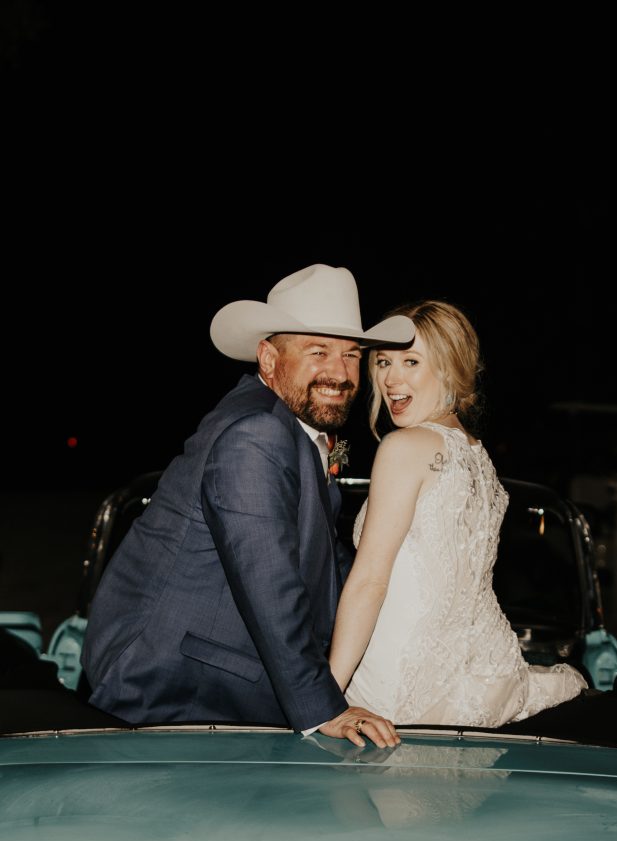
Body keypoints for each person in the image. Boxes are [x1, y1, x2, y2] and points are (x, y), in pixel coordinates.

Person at [80, 264, 414, 747]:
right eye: (318, 352)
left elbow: (324, 557)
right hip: (170, 684)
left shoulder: (285, 424)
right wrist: (324, 709)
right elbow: (270, 583)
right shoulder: (254, 435)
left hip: (214, 674)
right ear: (268, 358)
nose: (340, 374)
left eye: (352, 355)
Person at [329, 298, 589, 727]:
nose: (392, 378)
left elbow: (371, 581)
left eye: (411, 361)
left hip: (399, 685)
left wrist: (325, 697)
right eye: (384, 362)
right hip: (482, 682)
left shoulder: (404, 448)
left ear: (449, 368)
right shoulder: (478, 457)